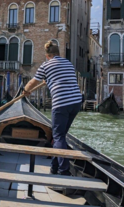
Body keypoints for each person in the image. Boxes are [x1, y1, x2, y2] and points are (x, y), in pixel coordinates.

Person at [23, 40, 82, 176]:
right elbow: (61, 78)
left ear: (47, 55)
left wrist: (25, 91)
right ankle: (54, 168)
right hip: (76, 102)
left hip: (61, 103)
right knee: (59, 137)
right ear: (58, 54)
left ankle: (64, 171)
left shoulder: (46, 65)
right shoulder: (68, 63)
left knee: (59, 137)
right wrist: (48, 79)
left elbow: (33, 82)